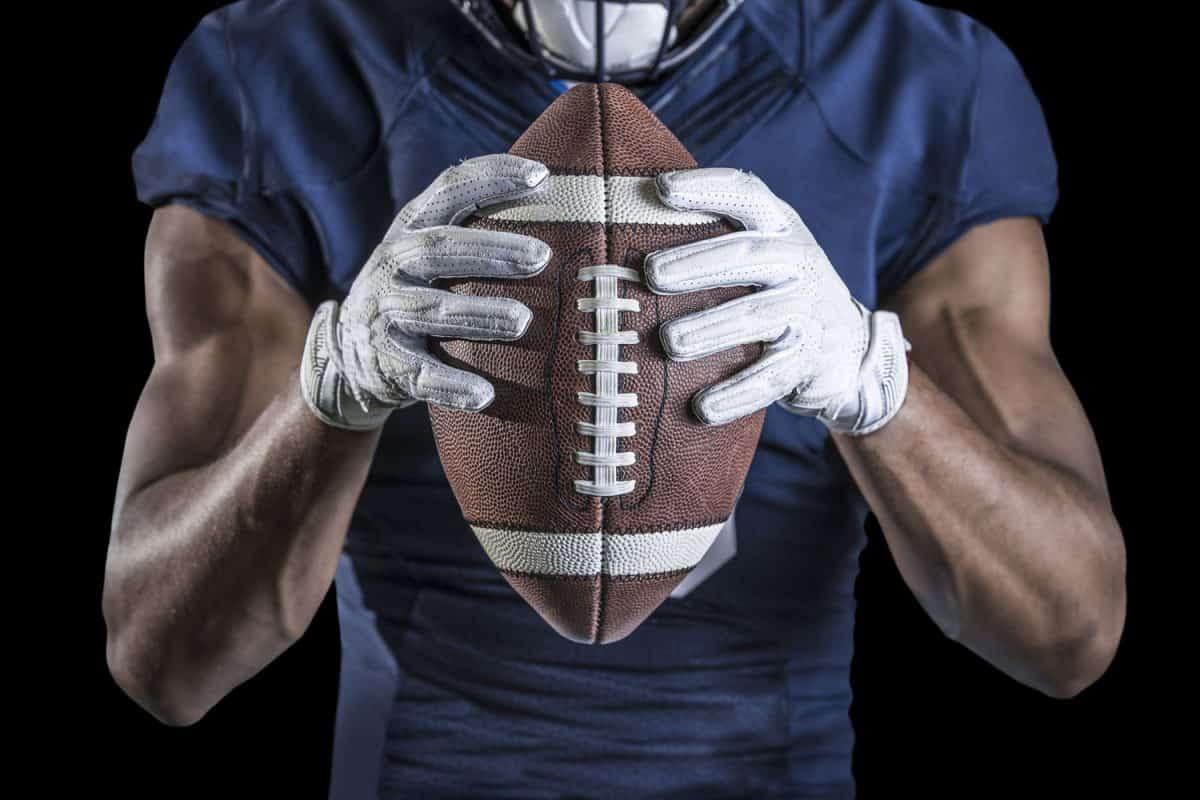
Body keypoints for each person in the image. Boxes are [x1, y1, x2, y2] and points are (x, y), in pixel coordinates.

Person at [104, 1, 1126, 797]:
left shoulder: (913, 81)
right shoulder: (288, 70)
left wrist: (871, 376)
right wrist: (331, 386)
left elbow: (1069, 630)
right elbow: (160, 656)